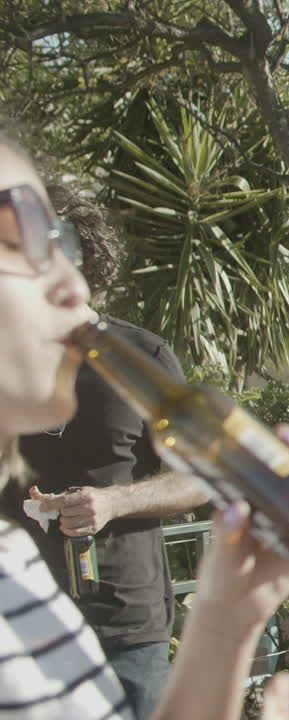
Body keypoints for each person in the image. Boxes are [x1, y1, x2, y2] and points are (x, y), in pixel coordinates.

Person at [0, 132, 289, 720]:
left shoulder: (12, 562)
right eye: (24, 231)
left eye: (61, 242)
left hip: (126, 615)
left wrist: (227, 617)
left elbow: (191, 477)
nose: (73, 283)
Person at [0, 181, 209, 720]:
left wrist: (114, 503)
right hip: (16, 626)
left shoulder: (142, 358)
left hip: (124, 628)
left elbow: (197, 477)